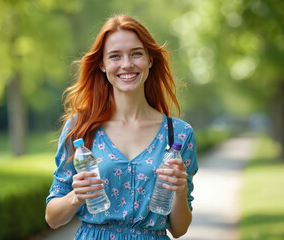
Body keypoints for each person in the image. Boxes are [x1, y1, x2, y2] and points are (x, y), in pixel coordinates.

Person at [45, 14, 198, 240]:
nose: (127, 64)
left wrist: (181, 190)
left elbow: (179, 229)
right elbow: (52, 218)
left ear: (150, 60)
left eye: (136, 53)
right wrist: (76, 197)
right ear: (102, 65)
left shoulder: (178, 134)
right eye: (115, 56)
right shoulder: (80, 128)